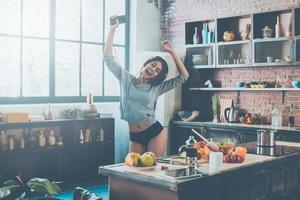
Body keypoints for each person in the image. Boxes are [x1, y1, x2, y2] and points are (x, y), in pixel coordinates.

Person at [103, 19, 189, 157]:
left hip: (154, 133)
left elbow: (183, 76)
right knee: (133, 172)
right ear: (146, 64)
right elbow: (108, 58)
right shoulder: (126, 78)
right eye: (153, 65)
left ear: (157, 76)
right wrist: (112, 29)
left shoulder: (157, 88)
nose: (154, 69)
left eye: (157, 71)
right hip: (135, 136)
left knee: (152, 171)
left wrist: (172, 51)